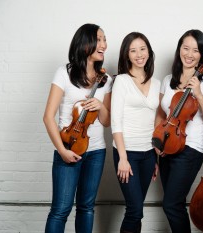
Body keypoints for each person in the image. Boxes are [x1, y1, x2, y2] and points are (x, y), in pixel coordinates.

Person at [43, 23, 112, 233]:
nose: (103, 44)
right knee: (61, 210)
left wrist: (100, 106)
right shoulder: (64, 72)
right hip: (68, 147)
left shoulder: (105, 79)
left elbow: (107, 121)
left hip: (96, 151)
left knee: (86, 208)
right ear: (85, 43)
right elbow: (48, 117)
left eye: (104, 39)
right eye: (98, 39)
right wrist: (62, 151)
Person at [155, 29, 203, 233]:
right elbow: (160, 113)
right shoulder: (168, 79)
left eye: (196, 50)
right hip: (166, 147)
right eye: (186, 48)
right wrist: (157, 142)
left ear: (202, 55)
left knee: (171, 204)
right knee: (176, 204)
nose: (189, 54)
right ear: (179, 50)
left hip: (190, 149)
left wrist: (199, 94)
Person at [111, 32, 160, 233]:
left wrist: (155, 157)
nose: (139, 54)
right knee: (135, 209)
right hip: (127, 153)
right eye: (133, 50)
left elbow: (156, 122)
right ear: (126, 55)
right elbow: (115, 122)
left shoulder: (156, 83)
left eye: (142, 49)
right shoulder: (122, 81)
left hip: (148, 155)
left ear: (149, 51)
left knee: (137, 208)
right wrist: (123, 158)